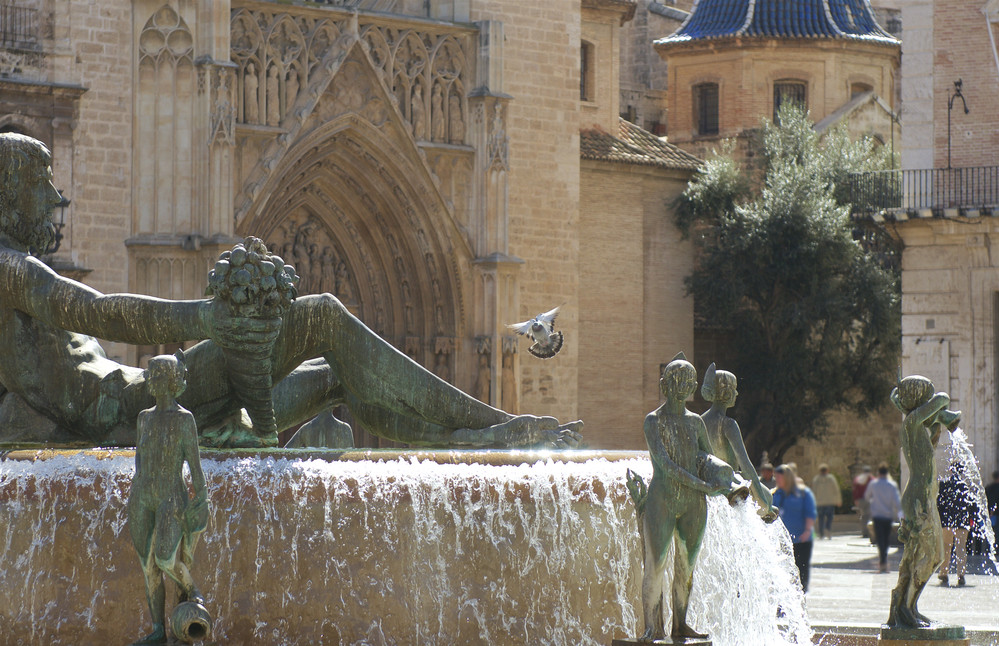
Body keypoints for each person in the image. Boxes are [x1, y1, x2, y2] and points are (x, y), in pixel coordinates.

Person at [0, 133, 582, 450]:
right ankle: (491, 425)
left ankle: (472, 440)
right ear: (8, 194)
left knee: (338, 376)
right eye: (41, 185)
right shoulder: (8, 266)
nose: (56, 199)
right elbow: (99, 311)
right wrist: (209, 319)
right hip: (138, 409)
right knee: (322, 316)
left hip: (143, 402)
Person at [639, 355, 730, 641]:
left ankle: (681, 624)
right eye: (676, 380)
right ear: (664, 385)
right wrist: (704, 485)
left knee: (686, 567)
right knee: (656, 564)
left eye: (687, 381)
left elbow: (704, 455)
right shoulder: (653, 421)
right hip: (663, 499)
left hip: (694, 505)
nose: (682, 386)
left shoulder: (695, 423)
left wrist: (722, 473)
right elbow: (664, 464)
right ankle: (653, 627)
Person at [127, 354, 208, 644]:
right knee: (149, 569)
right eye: (150, 374)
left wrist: (202, 501)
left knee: (164, 558)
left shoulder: (185, 420)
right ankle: (158, 630)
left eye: (156, 374)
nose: (150, 379)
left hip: (171, 496)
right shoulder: (144, 418)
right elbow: (138, 462)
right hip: (141, 497)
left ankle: (193, 590)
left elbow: (196, 469)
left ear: (172, 380)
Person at [887, 375, 955, 628]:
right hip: (918, 498)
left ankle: (906, 607)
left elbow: (930, 445)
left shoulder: (917, 427)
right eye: (926, 396)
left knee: (930, 556)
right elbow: (943, 399)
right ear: (919, 400)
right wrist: (938, 408)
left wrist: (937, 424)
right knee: (927, 556)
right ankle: (905, 610)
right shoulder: (912, 422)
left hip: (925, 496)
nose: (931, 400)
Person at [700, 363, 779, 522]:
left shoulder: (700, 420)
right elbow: (745, 463)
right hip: (731, 482)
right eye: (734, 389)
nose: (737, 393)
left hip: (708, 481)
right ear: (727, 393)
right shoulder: (728, 424)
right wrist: (763, 502)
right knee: (770, 503)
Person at [772, 463, 817, 592]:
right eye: (776, 478)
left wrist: (807, 531)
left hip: (802, 538)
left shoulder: (803, 493)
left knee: (801, 567)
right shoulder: (776, 494)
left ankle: (801, 592)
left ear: (788, 478)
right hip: (782, 540)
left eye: (780, 477)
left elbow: (810, 513)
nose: (777, 480)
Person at [937, 462, 973, 587]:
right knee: (961, 548)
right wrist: (971, 519)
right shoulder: (965, 486)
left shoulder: (944, 484)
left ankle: (943, 573)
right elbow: (971, 505)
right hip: (962, 522)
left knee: (946, 547)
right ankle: (961, 574)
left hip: (947, 522)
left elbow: (939, 503)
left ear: (951, 470)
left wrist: (939, 519)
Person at [865, 462, 902, 573]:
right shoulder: (891, 485)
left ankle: (882, 561)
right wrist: (900, 514)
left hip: (877, 515)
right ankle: (884, 560)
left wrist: (873, 502)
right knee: (885, 539)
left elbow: (867, 496)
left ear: (878, 473)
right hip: (888, 516)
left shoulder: (873, 484)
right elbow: (897, 501)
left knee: (880, 539)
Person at [811, 463, 840, 539]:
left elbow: (814, 491)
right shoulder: (831, 478)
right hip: (829, 502)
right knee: (829, 518)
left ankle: (821, 534)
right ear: (827, 470)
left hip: (820, 502)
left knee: (821, 518)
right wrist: (838, 500)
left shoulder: (816, 479)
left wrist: (813, 502)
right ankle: (828, 529)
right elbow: (836, 490)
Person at [853, 465, 874, 538]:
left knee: (864, 516)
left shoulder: (858, 479)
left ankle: (864, 531)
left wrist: (856, 499)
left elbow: (855, 490)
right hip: (869, 500)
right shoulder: (871, 478)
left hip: (860, 500)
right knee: (869, 515)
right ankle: (869, 532)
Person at [986, 470, 999, 558]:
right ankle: (997, 550)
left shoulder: (988, 488)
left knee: (991, 532)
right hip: (998, 513)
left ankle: (990, 549)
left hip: (990, 514)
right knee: (998, 533)